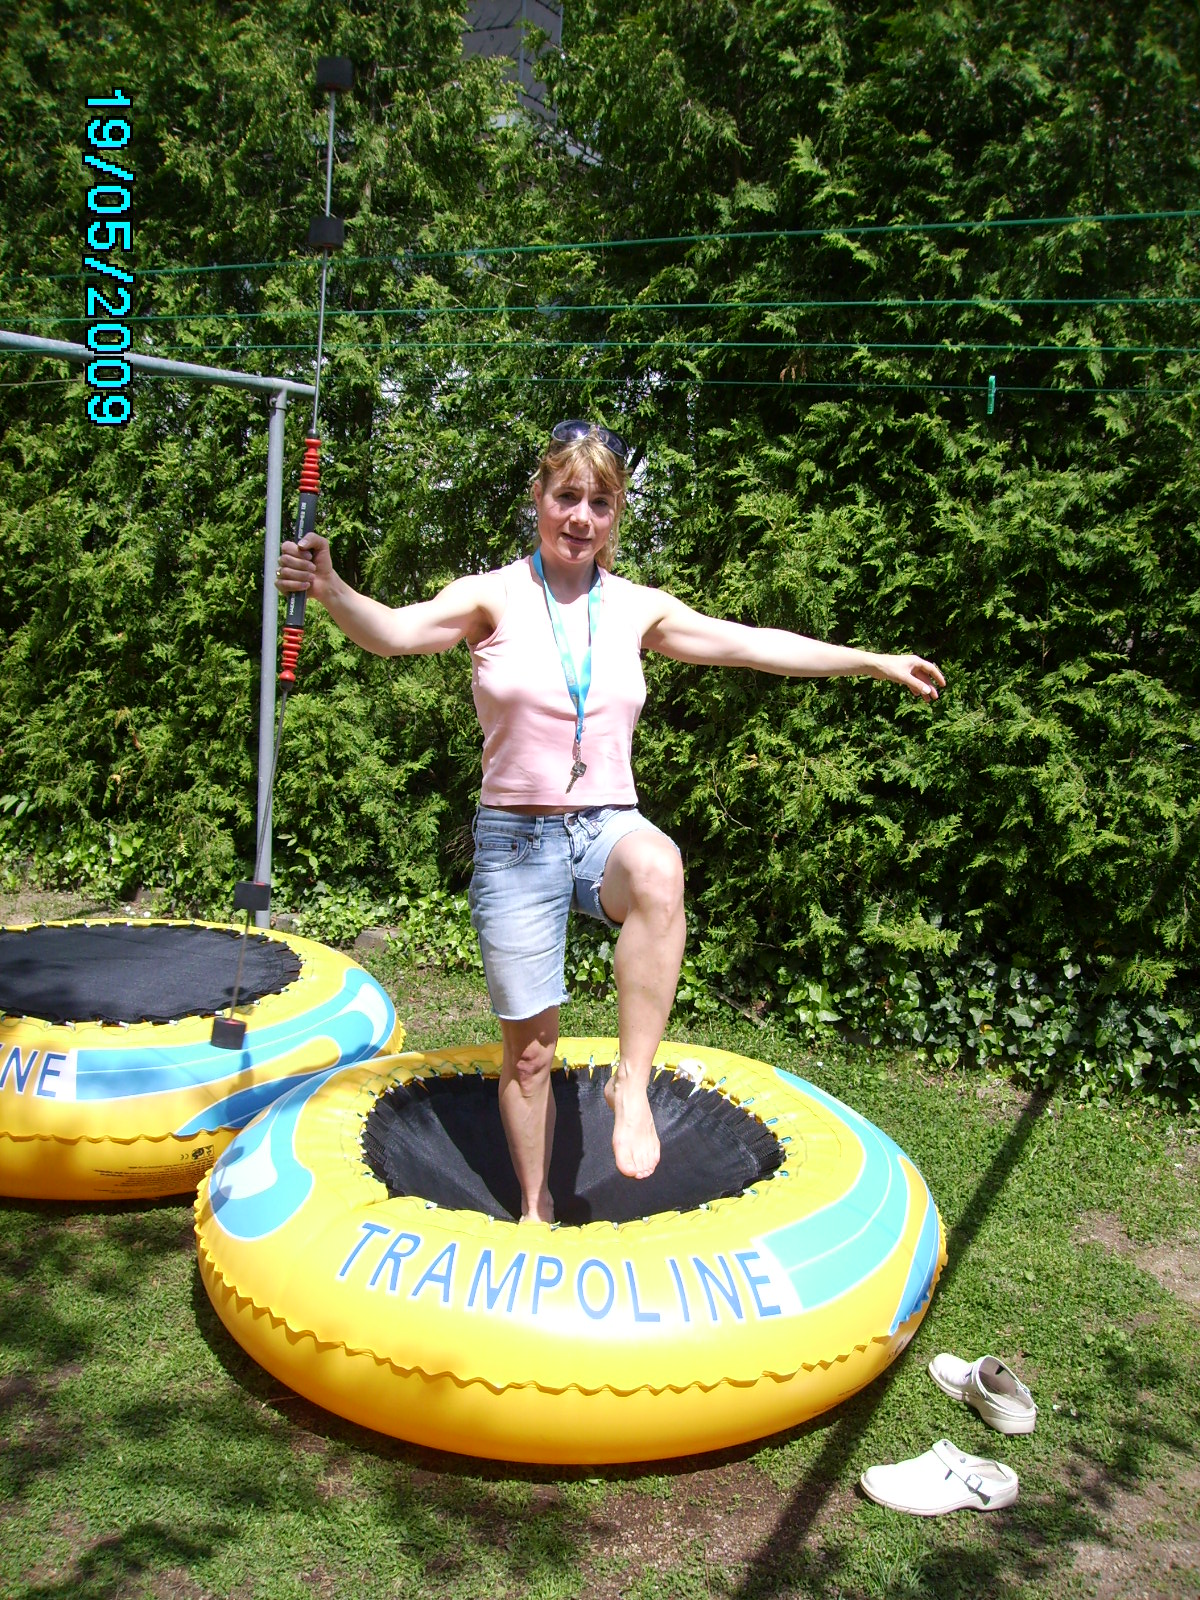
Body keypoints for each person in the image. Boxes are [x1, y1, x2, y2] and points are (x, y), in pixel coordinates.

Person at [276, 419, 945, 1222]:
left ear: (616, 513)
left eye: (599, 502)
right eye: (567, 496)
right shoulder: (492, 597)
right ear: (538, 498)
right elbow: (392, 633)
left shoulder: (635, 609)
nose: (581, 517)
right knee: (531, 1055)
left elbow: (752, 644)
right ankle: (535, 1209)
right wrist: (331, 587)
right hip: (515, 840)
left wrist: (871, 660)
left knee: (660, 868)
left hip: (604, 827)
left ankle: (632, 1083)